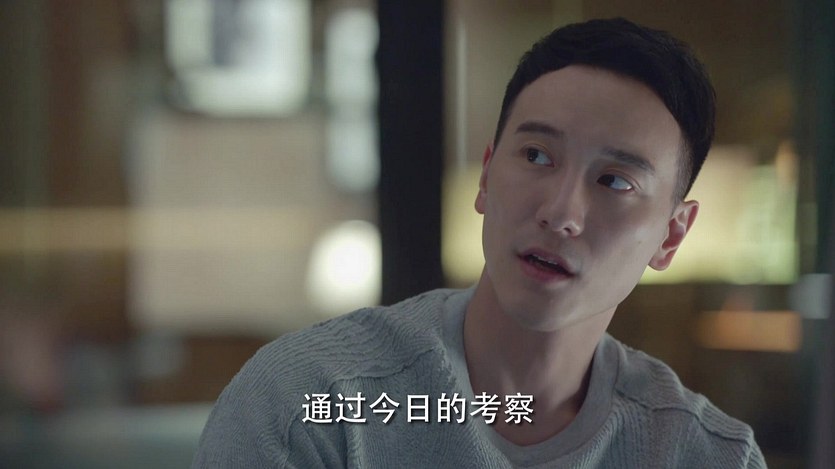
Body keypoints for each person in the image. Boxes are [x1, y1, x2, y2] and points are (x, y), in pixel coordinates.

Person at [193, 17, 765, 468]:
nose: (560, 213)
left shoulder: (705, 455)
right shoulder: (312, 402)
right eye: (536, 155)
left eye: (615, 181)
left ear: (671, 235)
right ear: (487, 176)